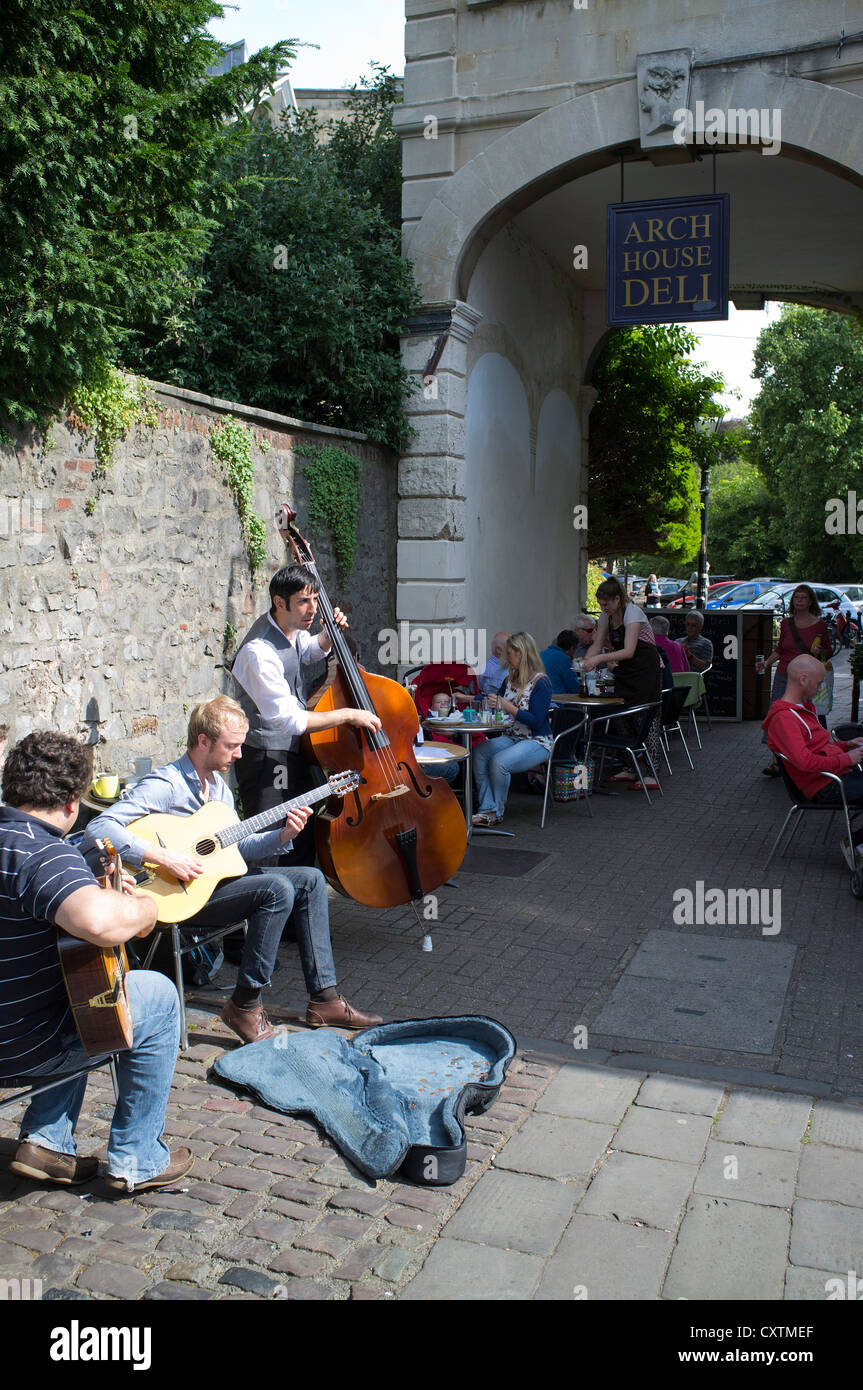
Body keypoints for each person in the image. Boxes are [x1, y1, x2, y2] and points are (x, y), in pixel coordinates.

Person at [81, 696, 382, 1045]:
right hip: (172, 895)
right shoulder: (166, 785)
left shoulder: (219, 789)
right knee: (277, 889)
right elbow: (100, 827)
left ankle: (325, 999)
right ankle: (245, 1004)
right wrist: (163, 857)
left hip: (210, 886)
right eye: (232, 746)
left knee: (310, 879)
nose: (239, 754)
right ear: (203, 741)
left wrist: (283, 835)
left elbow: (238, 849)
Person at [0, 730, 193, 1192]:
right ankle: (138, 1158)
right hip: (20, 1048)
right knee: (155, 996)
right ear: (72, 803)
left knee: (75, 985)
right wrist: (144, 909)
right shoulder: (44, 854)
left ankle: (49, 1140)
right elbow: (102, 925)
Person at [229, 563, 381, 868]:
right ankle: (267, 906)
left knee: (301, 835)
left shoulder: (291, 629)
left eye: (315, 599)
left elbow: (309, 651)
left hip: (291, 752)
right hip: (266, 758)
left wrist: (329, 635)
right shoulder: (258, 652)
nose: (312, 609)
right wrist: (349, 714)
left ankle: (299, 907)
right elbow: (291, 720)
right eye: (303, 601)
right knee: (272, 841)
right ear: (279, 602)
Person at [763, 654, 863, 868]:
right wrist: (847, 758)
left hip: (834, 777)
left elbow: (819, 749)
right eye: (818, 684)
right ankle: (856, 844)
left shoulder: (803, 709)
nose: (820, 689)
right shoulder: (784, 718)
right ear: (803, 679)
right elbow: (805, 762)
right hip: (825, 786)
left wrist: (847, 745)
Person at [582, 577, 662, 790]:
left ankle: (652, 771)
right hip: (627, 670)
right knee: (619, 709)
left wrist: (597, 660)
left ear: (618, 599)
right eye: (600, 604)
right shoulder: (606, 618)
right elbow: (597, 645)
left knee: (645, 715)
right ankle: (630, 766)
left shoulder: (632, 613)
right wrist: (584, 662)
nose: (603, 608)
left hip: (645, 669)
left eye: (606, 604)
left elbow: (629, 651)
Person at [471, 632, 553, 827]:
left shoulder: (541, 682)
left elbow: (536, 721)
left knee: (499, 762)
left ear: (521, 653)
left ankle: (495, 812)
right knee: (479, 752)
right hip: (512, 736)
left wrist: (508, 707)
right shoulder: (509, 679)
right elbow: (495, 699)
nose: (506, 658)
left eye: (509, 653)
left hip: (537, 741)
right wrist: (470, 699)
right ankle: (486, 807)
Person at [758, 584, 833, 776]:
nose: (799, 601)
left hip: (808, 679)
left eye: (803, 598)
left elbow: (828, 653)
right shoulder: (786, 623)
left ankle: (814, 755)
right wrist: (766, 664)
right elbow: (780, 650)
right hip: (785, 674)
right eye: (796, 598)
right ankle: (776, 761)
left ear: (810, 601)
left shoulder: (819, 625)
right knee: (776, 715)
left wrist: (820, 652)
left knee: (810, 715)